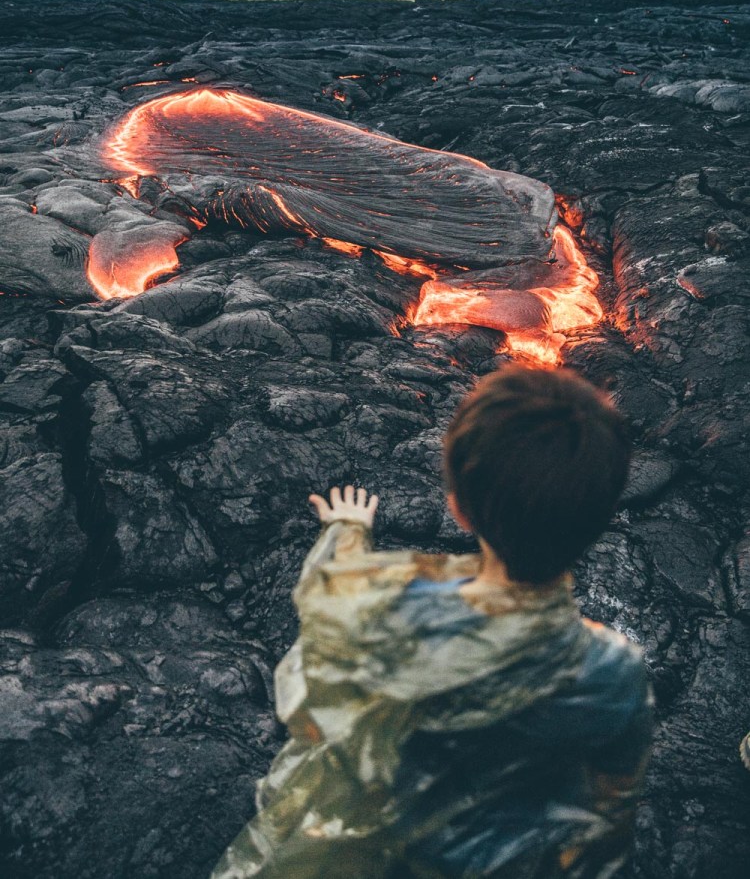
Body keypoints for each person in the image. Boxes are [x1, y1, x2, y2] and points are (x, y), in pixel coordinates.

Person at [211, 364, 653, 878]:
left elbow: (317, 671)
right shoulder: (616, 670)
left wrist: (345, 532)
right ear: (599, 520)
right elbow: (612, 797)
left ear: (458, 508)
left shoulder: (390, 615)